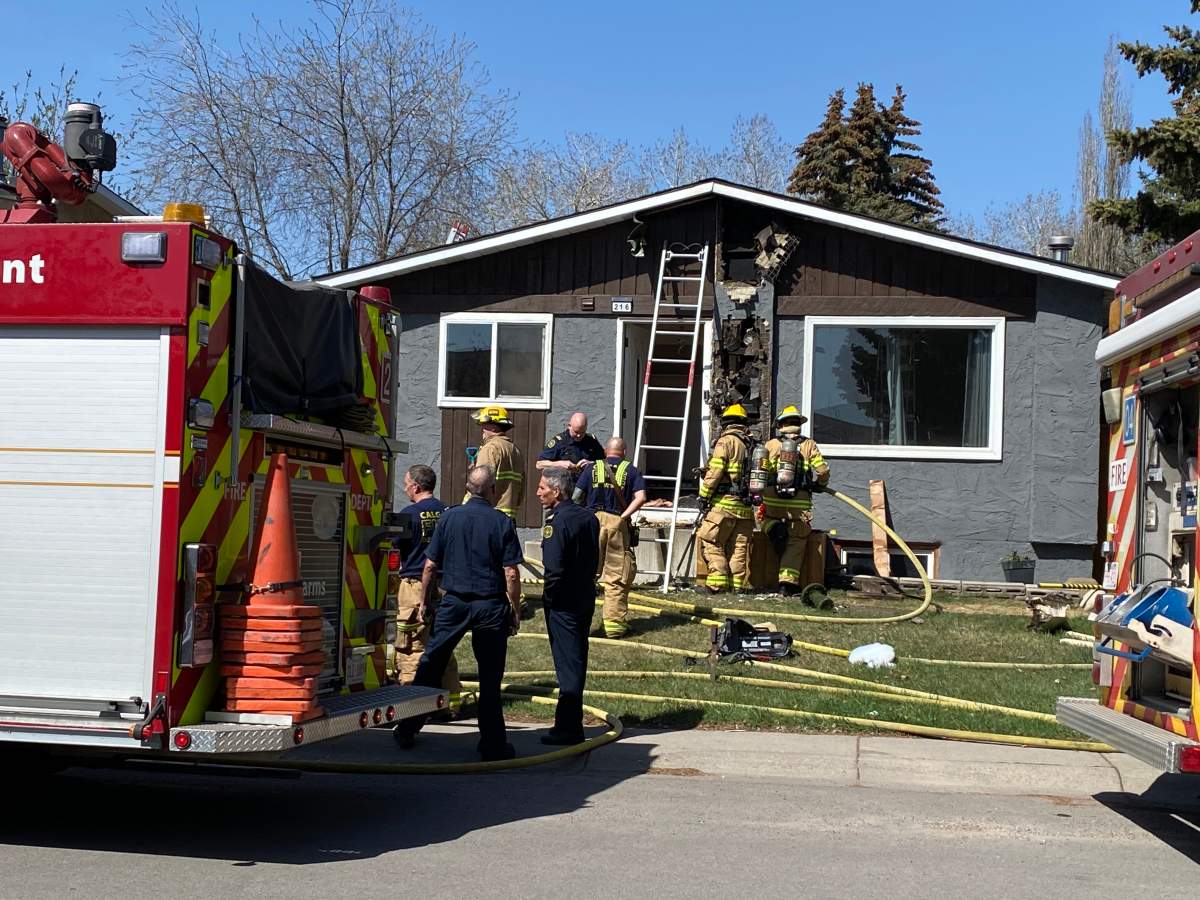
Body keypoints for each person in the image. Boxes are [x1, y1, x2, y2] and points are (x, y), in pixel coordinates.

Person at [396, 465, 523, 761]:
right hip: (490, 605)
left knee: (430, 664)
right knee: (490, 676)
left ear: (468, 488)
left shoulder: (449, 517)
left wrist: (426, 601)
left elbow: (429, 566)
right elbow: (512, 573)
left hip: (453, 602)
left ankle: (407, 728)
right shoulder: (501, 521)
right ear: (491, 490)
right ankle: (492, 745)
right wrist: (514, 609)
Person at [536, 468, 600, 744]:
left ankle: (568, 727)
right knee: (577, 659)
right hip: (585, 596)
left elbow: (553, 569)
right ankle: (569, 723)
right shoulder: (589, 517)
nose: (538, 493)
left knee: (567, 664)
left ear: (557, 491)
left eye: (542, 488)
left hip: (563, 601)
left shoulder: (557, 522)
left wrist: (549, 598)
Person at [393, 465, 462, 712]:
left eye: (407, 484)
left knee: (412, 646)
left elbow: (392, 547)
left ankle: (412, 709)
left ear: (416, 487)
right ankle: (451, 705)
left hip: (415, 587)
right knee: (443, 645)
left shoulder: (408, 514)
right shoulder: (447, 512)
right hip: (446, 587)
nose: (405, 488)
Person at [572, 436, 647, 638]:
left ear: (605, 451)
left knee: (586, 573)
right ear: (624, 452)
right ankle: (614, 626)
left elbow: (576, 497)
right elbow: (641, 498)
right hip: (616, 523)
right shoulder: (631, 470)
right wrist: (624, 517)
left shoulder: (591, 468)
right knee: (616, 576)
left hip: (592, 522)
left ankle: (577, 621)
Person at [761, 405, 830, 597]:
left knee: (763, 518)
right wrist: (820, 485)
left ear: (781, 424)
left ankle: (773, 527)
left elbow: (761, 472)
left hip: (773, 500)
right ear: (798, 424)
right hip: (799, 504)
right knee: (796, 542)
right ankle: (787, 584)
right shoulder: (809, 445)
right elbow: (822, 470)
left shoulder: (771, 445)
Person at [696, 404, 755, 594]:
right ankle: (738, 586)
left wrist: (704, 495)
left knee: (711, 540)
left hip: (724, 504)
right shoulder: (753, 445)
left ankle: (717, 583)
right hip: (745, 507)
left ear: (726, 422)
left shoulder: (726, 442)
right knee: (738, 547)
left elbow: (716, 471)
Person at [469, 405, 525, 521]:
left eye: (484, 425)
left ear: (494, 427)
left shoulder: (490, 448)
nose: (482, 429)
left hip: (488, 516)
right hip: (508, 516)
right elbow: (521, 485)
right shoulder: (515, 450)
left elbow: (480, 484)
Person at [537, 412, 605, 475]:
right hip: (564, 484)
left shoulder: (592, 441)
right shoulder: (559, 441)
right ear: (569, 426)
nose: (579, 435)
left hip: (586, 484)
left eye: (582, 432)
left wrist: (591, 464)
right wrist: (559, 464)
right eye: (576, 432)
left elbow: (605, 462)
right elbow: (539, 464)